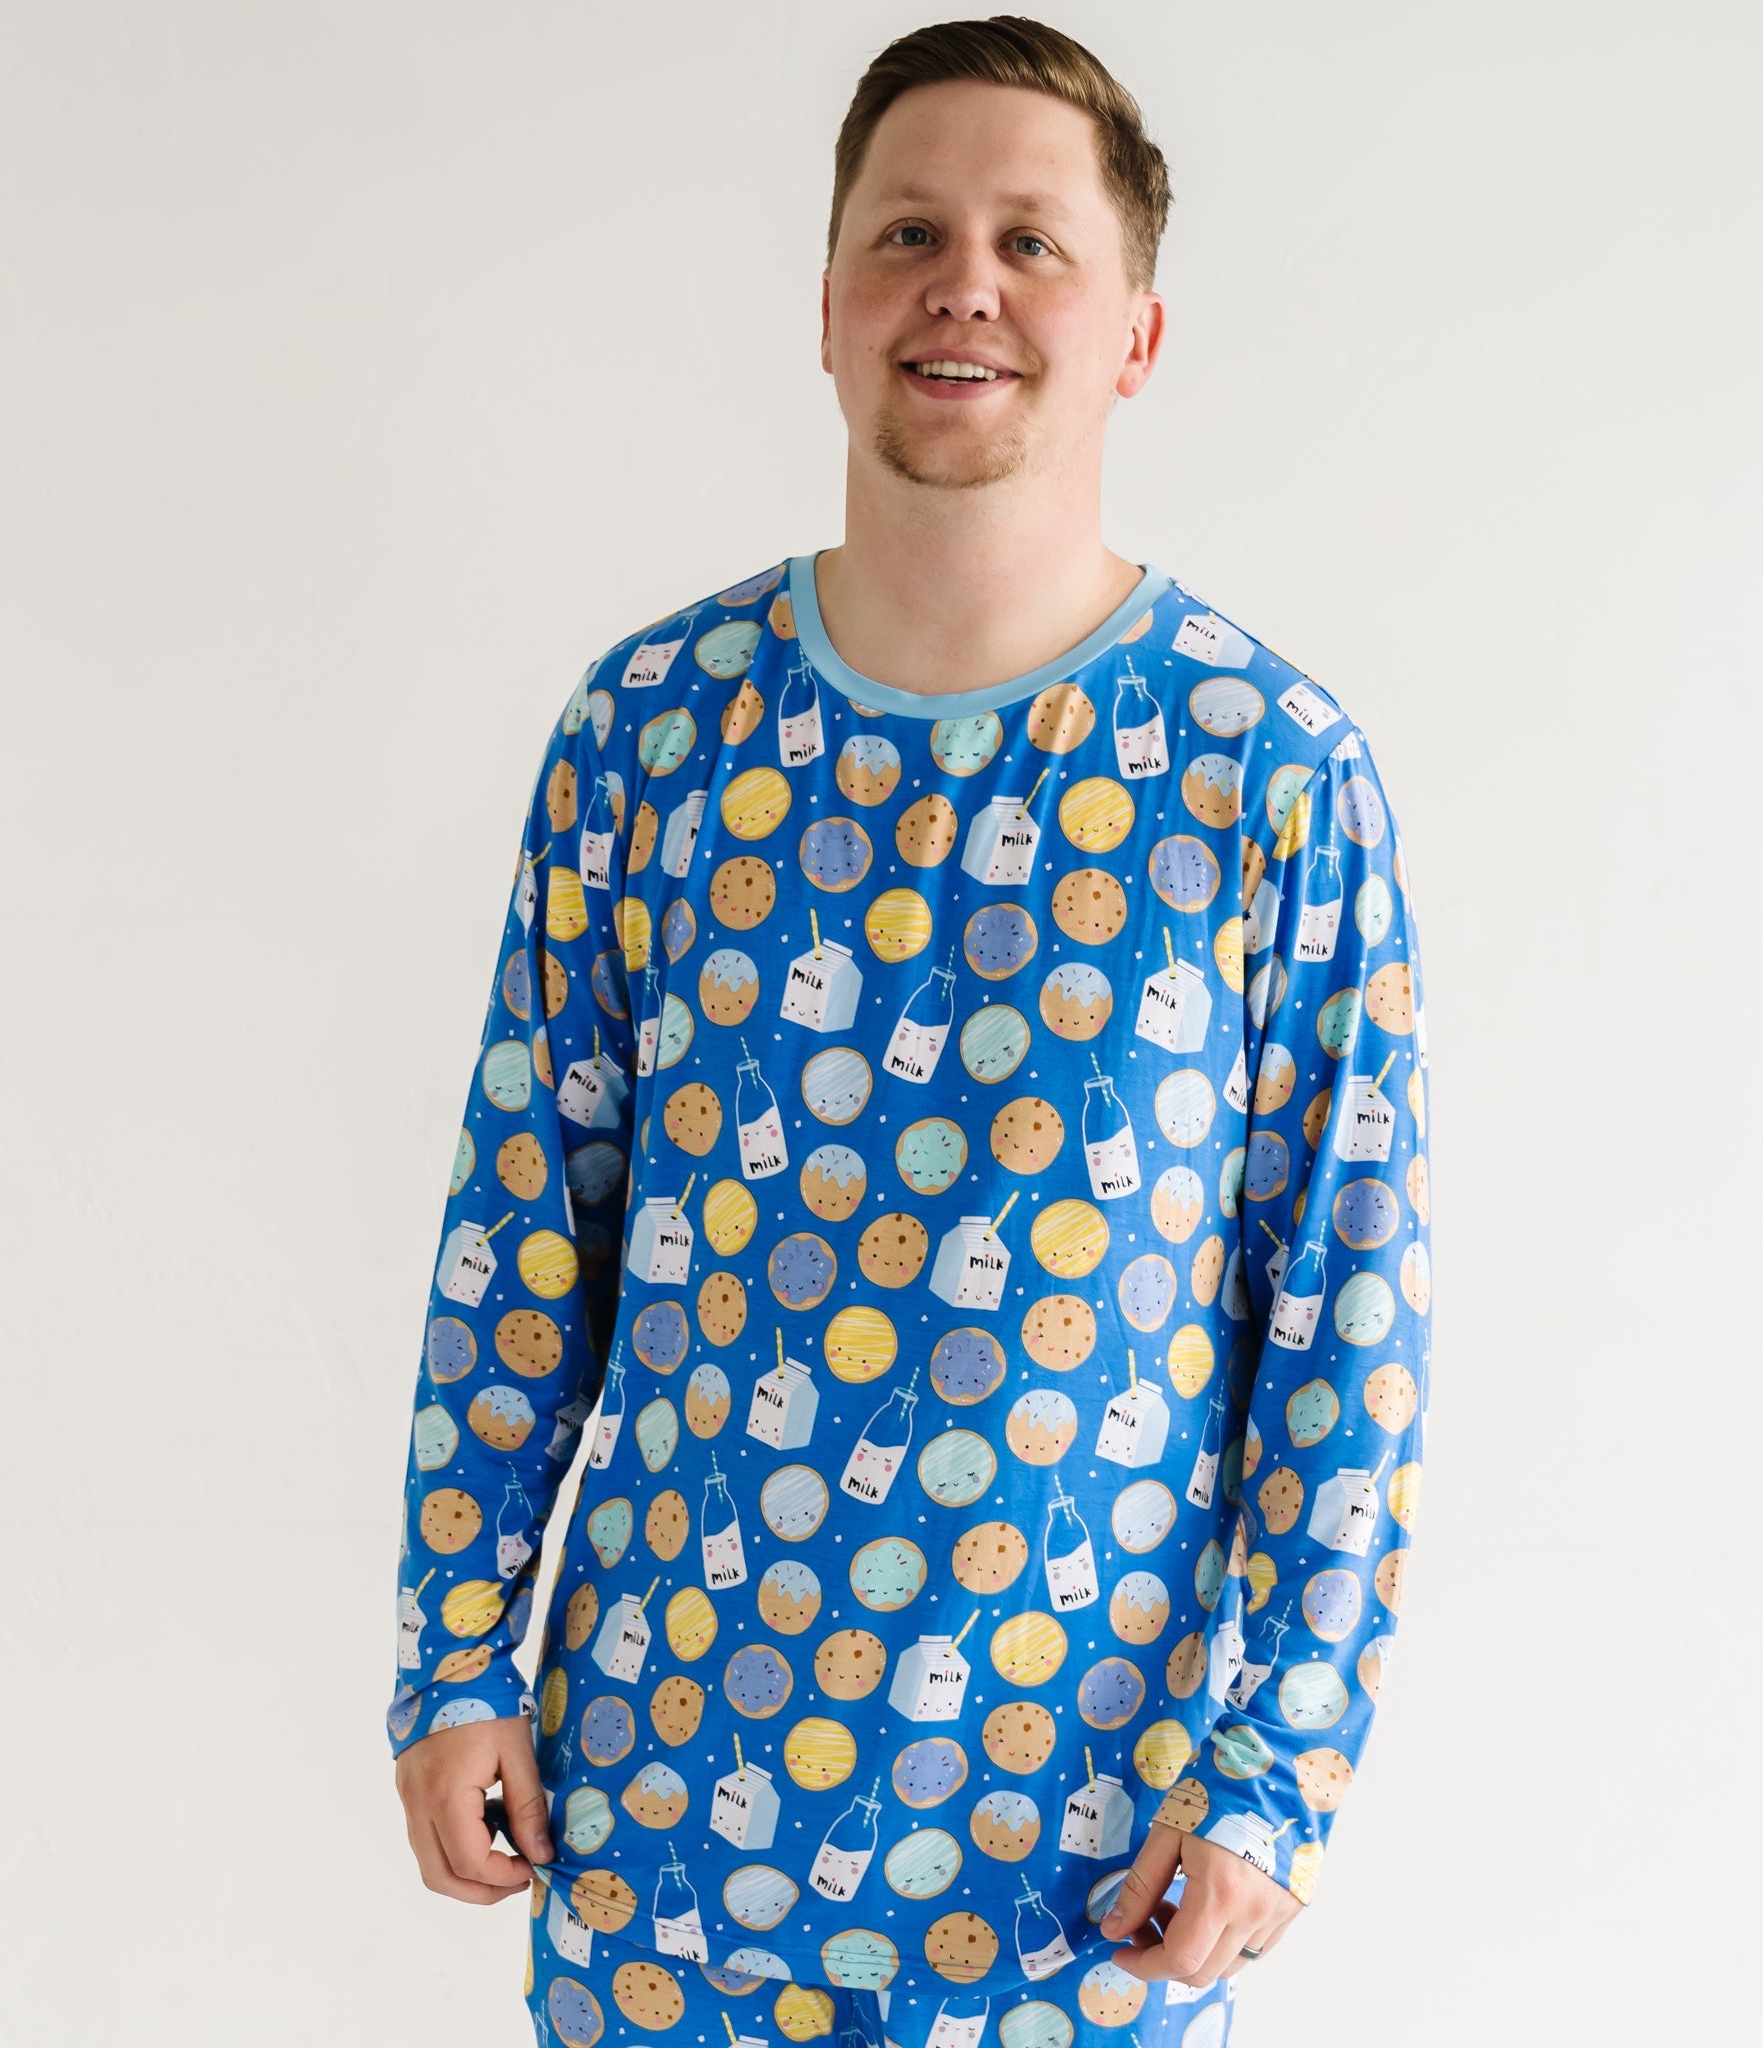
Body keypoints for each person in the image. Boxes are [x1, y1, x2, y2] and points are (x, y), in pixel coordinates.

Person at [387, 17, 1433, 2045]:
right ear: (825, 308)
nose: (964, 285)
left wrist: (1276, 1778)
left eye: (1032, 242)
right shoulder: (651, 734)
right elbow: (523, 1234)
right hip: (660, 1841)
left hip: (1090, 1883)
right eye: (908, 234)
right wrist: (454, 1659)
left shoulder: (1269, 774)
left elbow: (1345, 1313)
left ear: (1136, 334)